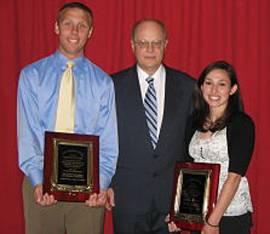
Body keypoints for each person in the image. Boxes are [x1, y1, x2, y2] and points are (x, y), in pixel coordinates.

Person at [17, 2, 118, 234]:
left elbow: (109, 140)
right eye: (68, 24)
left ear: (90, 32)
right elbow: (28, 133)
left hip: (89, 190)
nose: (74, 32)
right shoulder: (31, 76)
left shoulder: (103, 82)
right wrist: (37, 180)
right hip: (40, 183)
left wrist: (101, 184)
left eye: (82, 26)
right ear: (56, 27)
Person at [108, 19, 195, 234]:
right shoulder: (111, 86)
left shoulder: (188, 87)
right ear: (132, 45)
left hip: (171, 202)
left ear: (166, 44)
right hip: (126, 198)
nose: (150, 49)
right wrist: (104, 183)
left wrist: (187, 201)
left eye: (156, 43)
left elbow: (193, 145)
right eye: (143, 43)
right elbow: (103, 139)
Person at [168, 60, 255, 234]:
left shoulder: (242, 124)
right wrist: (178, 213)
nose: (214, 90)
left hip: (229, 215)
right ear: (201, 87)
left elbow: (234, 177)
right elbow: (186, 169)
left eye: (221, 84)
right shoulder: (193, 121)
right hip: (197, 213)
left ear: (233, 89)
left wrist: (213, 222)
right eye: (208, 83)